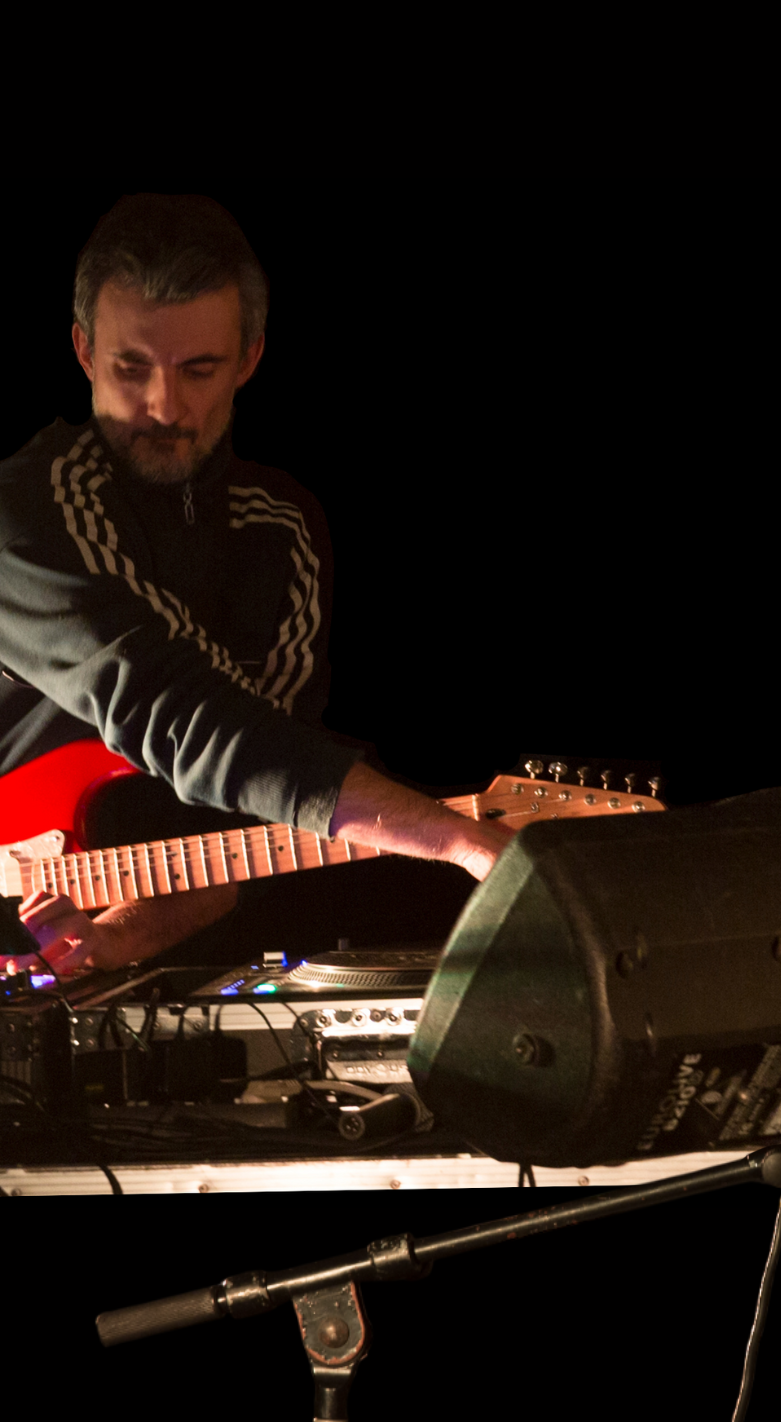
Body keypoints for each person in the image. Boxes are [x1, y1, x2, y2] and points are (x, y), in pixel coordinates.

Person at [0, 194, 510, 977]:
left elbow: (252, 808)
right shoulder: (24, 514)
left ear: (248, 359)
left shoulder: (281, 536)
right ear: (82, 352)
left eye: (197, 369)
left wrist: (121, 934)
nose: (164, 406)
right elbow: (175, 712)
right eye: (131, 368)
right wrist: (458, 838)